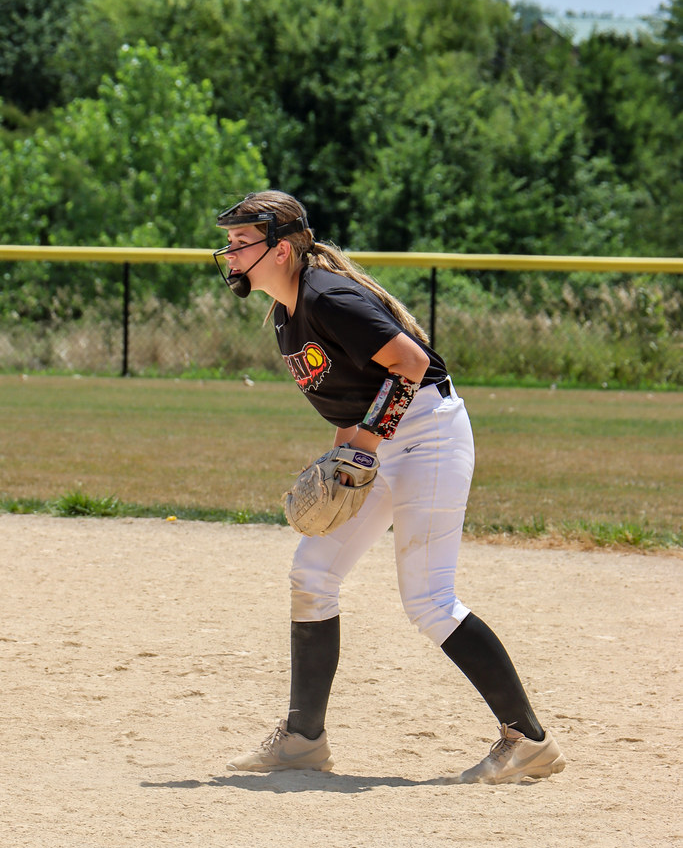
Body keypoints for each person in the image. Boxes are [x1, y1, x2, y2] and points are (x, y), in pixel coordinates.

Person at [212, 190, 566, 784]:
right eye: (229, 242)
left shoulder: (329, 297)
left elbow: (411, 365)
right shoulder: (286, 315)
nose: (229, 252)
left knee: (428, 600)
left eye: (241, 241)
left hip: (428, 432)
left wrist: (366, 449)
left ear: (282, 247)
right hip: (382, 440)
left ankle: (527, 740)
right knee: (313, 572)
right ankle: (303, 740)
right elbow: (350, 404)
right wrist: (339, 466)